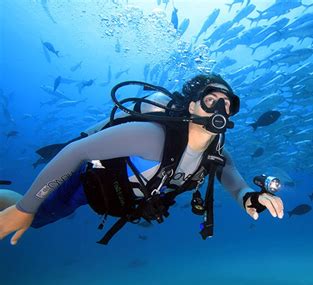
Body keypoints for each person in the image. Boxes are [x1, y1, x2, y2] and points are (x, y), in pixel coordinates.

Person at [0, 74, 284, 246]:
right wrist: (25, 208)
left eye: (228, 103)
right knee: (35, 217)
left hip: (120, 198)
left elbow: (231, 177)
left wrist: (249, 197)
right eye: (211, 99)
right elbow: (76, 152)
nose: (221, 107)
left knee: (36, 217)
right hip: (88, 183)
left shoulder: (216, 151)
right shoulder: (152, 136)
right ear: (192, 104)